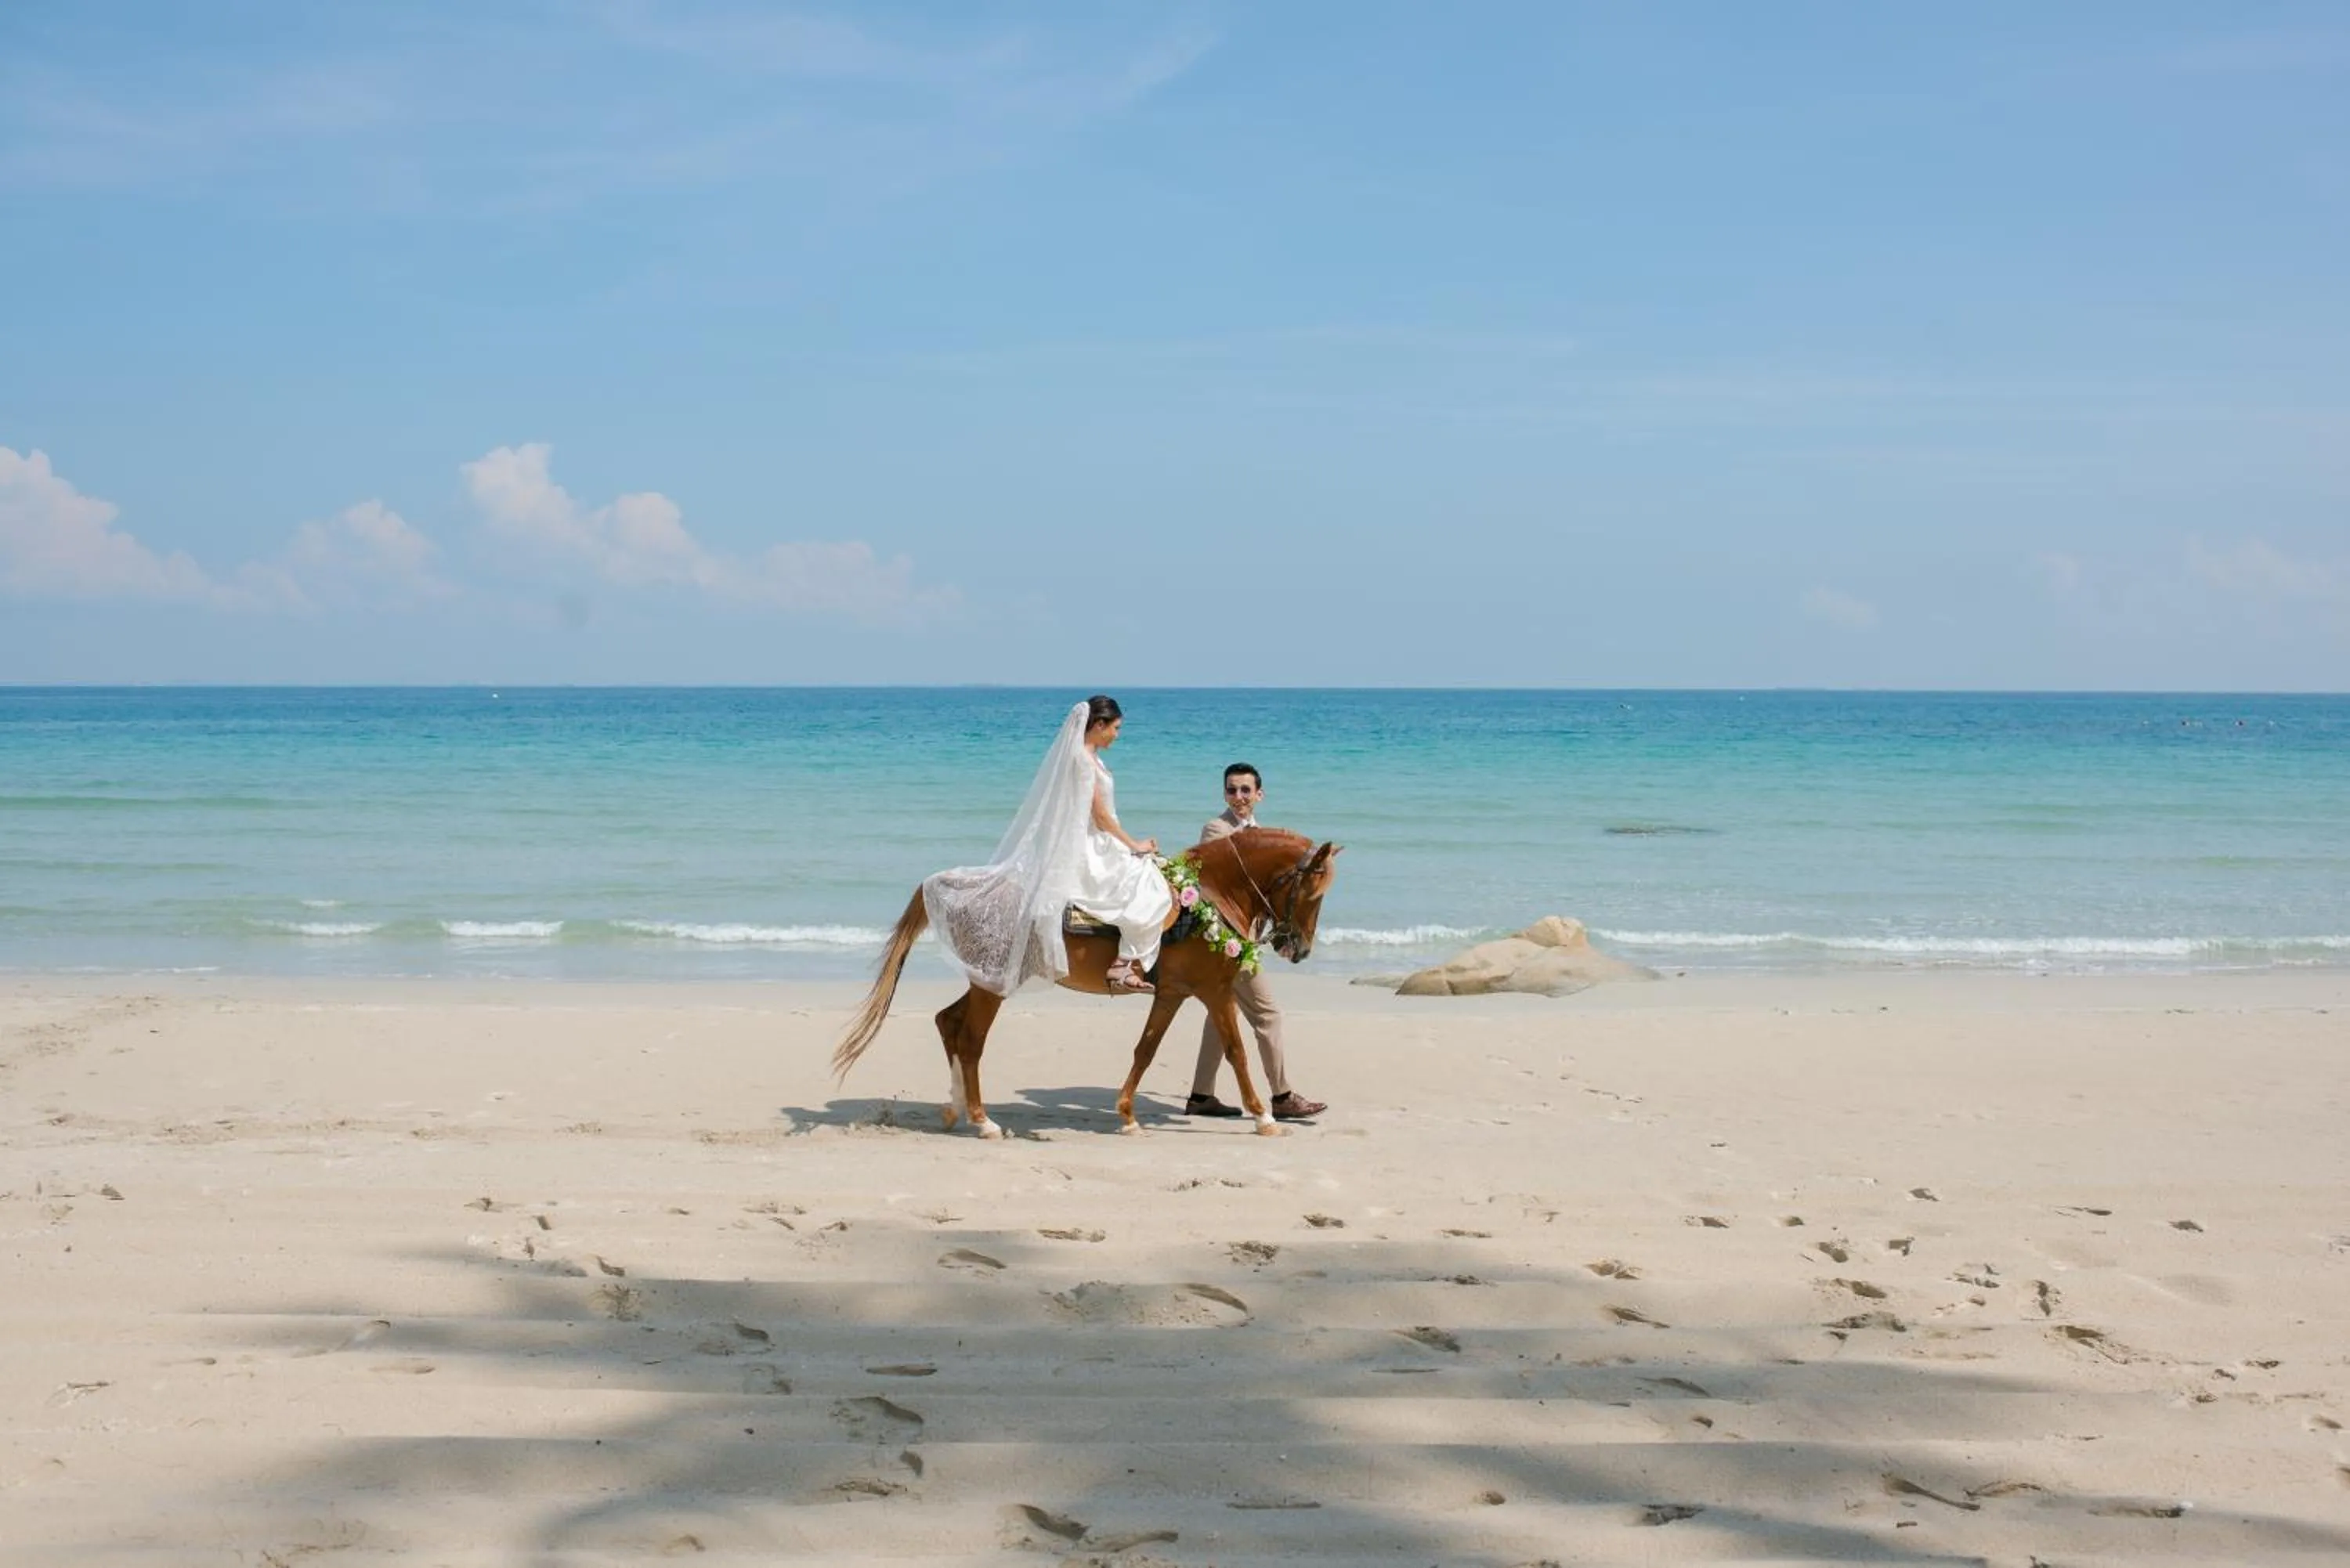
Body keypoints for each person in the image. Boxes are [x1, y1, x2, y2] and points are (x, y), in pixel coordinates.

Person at [920, 695, 1173, 997]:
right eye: (1115, 728)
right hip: (1093, 845)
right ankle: (1124, 963)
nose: (1117, 735)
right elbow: (1101, 817)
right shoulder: (1082, 760)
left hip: (1100, 839)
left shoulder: (1090, 757)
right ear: (1099, 724)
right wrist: (1135, 844)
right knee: (1150, 893)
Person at [1183, 763, 1328, 1121]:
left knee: (1222, 1017)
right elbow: (1227, 885)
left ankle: (1201, 1096)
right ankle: (1282, 1096)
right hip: (1225, 942)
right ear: (1224, 794)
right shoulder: (1217, 829)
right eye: (1232, 790)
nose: (1239, 797)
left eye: (1246, 790)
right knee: (1268, 1015)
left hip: (1244, 937)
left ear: (1259, 795)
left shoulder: (1259, 833)